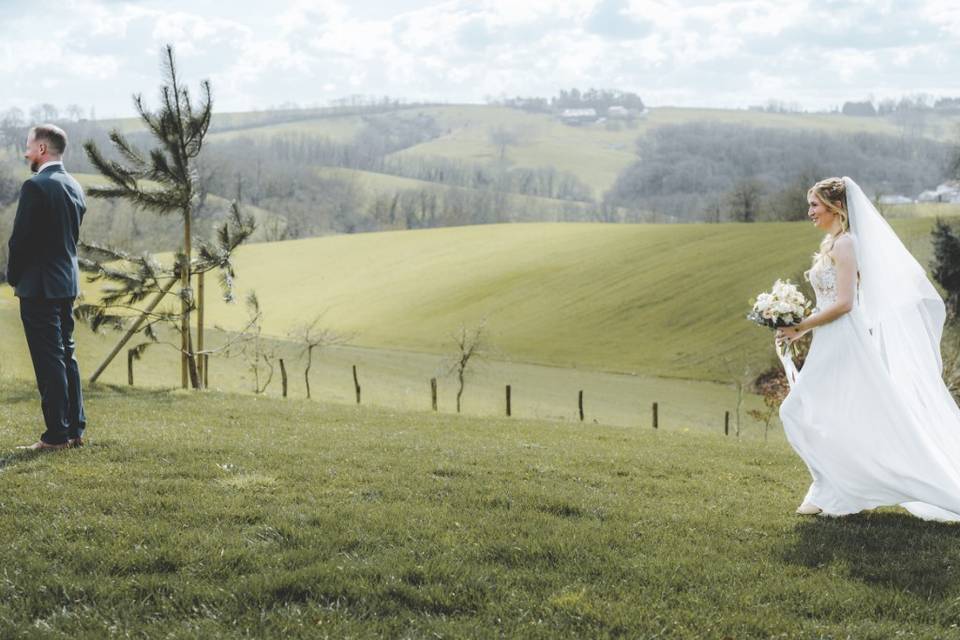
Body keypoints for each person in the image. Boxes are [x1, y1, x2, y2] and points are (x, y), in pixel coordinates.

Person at [775, 176, 960, 521]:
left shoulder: (846, 244)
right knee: (826, 413)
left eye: (815, 205)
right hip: (830, 337)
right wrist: (796, 328)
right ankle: (832, 489)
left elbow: (845, 303)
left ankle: (831, 489)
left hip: (844, 338)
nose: (810, 212)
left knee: (796, 409)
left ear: (837, 207)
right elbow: (830, 300)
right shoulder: (832, 243)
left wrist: (802, 326)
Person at [6, 124, 87, 451]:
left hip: (38, 286)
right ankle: (74, 429)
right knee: (67, 355)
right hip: (66, 282)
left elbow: (20, 241)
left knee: (48, 359)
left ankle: (56, 436)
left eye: (28, 146)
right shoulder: (75, 186)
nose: (25, 152)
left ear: (41, 149)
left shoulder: (35, 187)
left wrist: (13, 276)